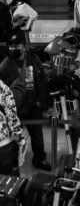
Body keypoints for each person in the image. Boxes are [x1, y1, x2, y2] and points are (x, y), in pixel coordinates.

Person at [0, 33, 49, 170]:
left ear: (24, 46)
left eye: (16, 45)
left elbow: (42, 80)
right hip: (16, 108)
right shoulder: (5, 66)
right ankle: (14, 161)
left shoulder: (34, 59)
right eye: (10, 46)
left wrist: (41, 101)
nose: (12, 49)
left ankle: (40, 159)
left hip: (33, 105)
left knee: (37, 135)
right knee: (15, 136)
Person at [0, 77, 24, 175]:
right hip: (3, 145)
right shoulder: (2, 88)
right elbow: (12, 116)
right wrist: (20, 139)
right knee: (6, 182)